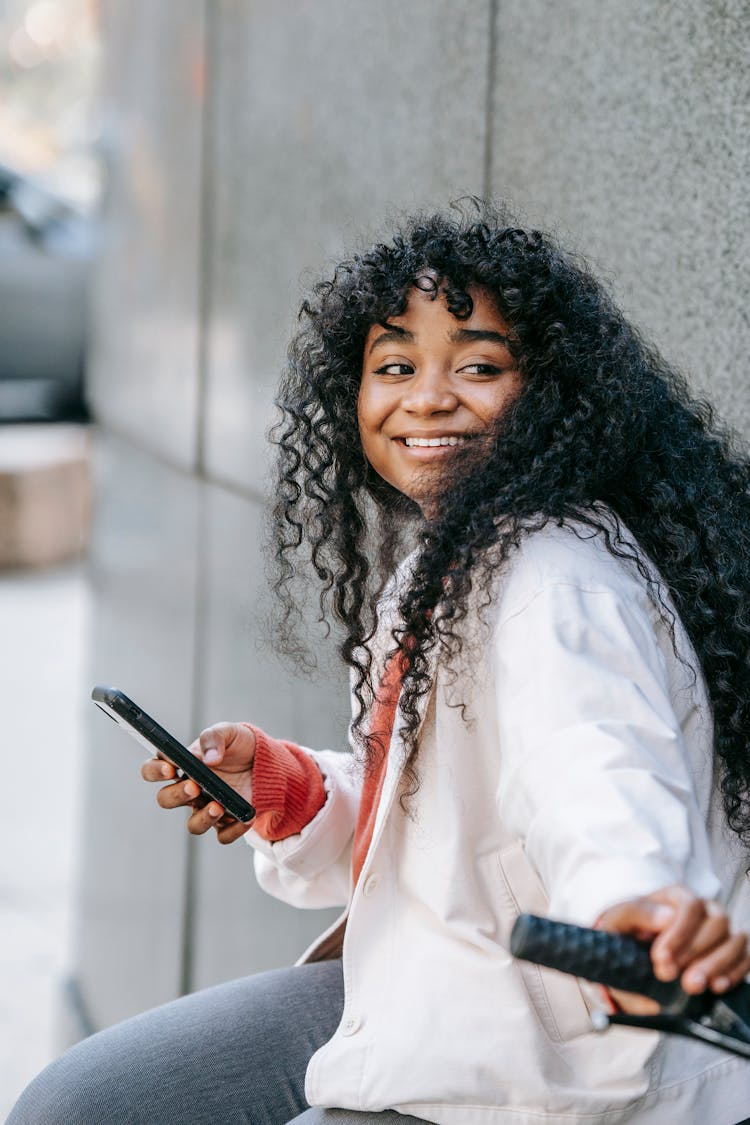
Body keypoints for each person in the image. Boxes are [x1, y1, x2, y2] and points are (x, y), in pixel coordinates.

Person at [10, 203, 750, 1124]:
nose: (427, 397)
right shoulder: (454, 558)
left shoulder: (552, 574)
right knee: (81, 1102)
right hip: (435, 976)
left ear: (557, 395)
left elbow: (595, 763)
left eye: (479, 366)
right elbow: (445, 819)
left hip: (547, 1062)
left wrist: (636, 904)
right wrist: (292, 791)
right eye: (394, 366)